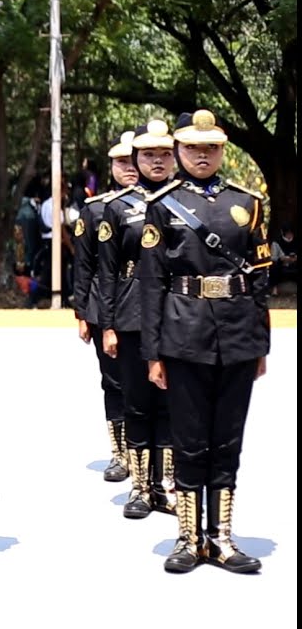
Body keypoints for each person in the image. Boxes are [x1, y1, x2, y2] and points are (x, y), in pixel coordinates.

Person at [140, 109, 271, 574]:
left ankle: (223, 537)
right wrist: (152, 352)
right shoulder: (164, 204)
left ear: (221, 151)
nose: (201, 155)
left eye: (210, 148)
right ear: (179, 150)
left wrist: (261, 343)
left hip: (237, 335)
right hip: (184, 333)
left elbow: (259, 277)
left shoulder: (248, 202)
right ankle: (189, 536)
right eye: (193, 148)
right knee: (190, 438)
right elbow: (151, 282)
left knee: (227, 439)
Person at [99, 121, 177, 519]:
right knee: (138, 403)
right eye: (148, 155)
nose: (157, 162)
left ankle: (166, 484)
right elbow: (108, 272)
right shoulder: (119, 207)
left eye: (164, 154)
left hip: (178, 317)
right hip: (131, 317)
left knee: (171, 404)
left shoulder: (184, 203)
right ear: (137, 160)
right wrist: (108, 325)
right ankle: (141, 487)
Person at [72, 131, 136, 484]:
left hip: (149, 304)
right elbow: (83, 265)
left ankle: (153, 456)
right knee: (114, 382)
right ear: (111, 166)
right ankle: (121, 452)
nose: (128, 168)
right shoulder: (96, 209)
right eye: (121, 162)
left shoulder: (164, 205)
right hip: (104, 305)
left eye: (132, 160)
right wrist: (82, 311)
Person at [270, 225, 297, 291]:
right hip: (281, 263)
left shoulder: (296, 240)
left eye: (291, 233)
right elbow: (273, 257)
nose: (289, 235)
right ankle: (274, 288)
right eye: (287, 233)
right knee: (274, 266)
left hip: (295, 262)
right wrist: (283, 258)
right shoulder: (276, 242)